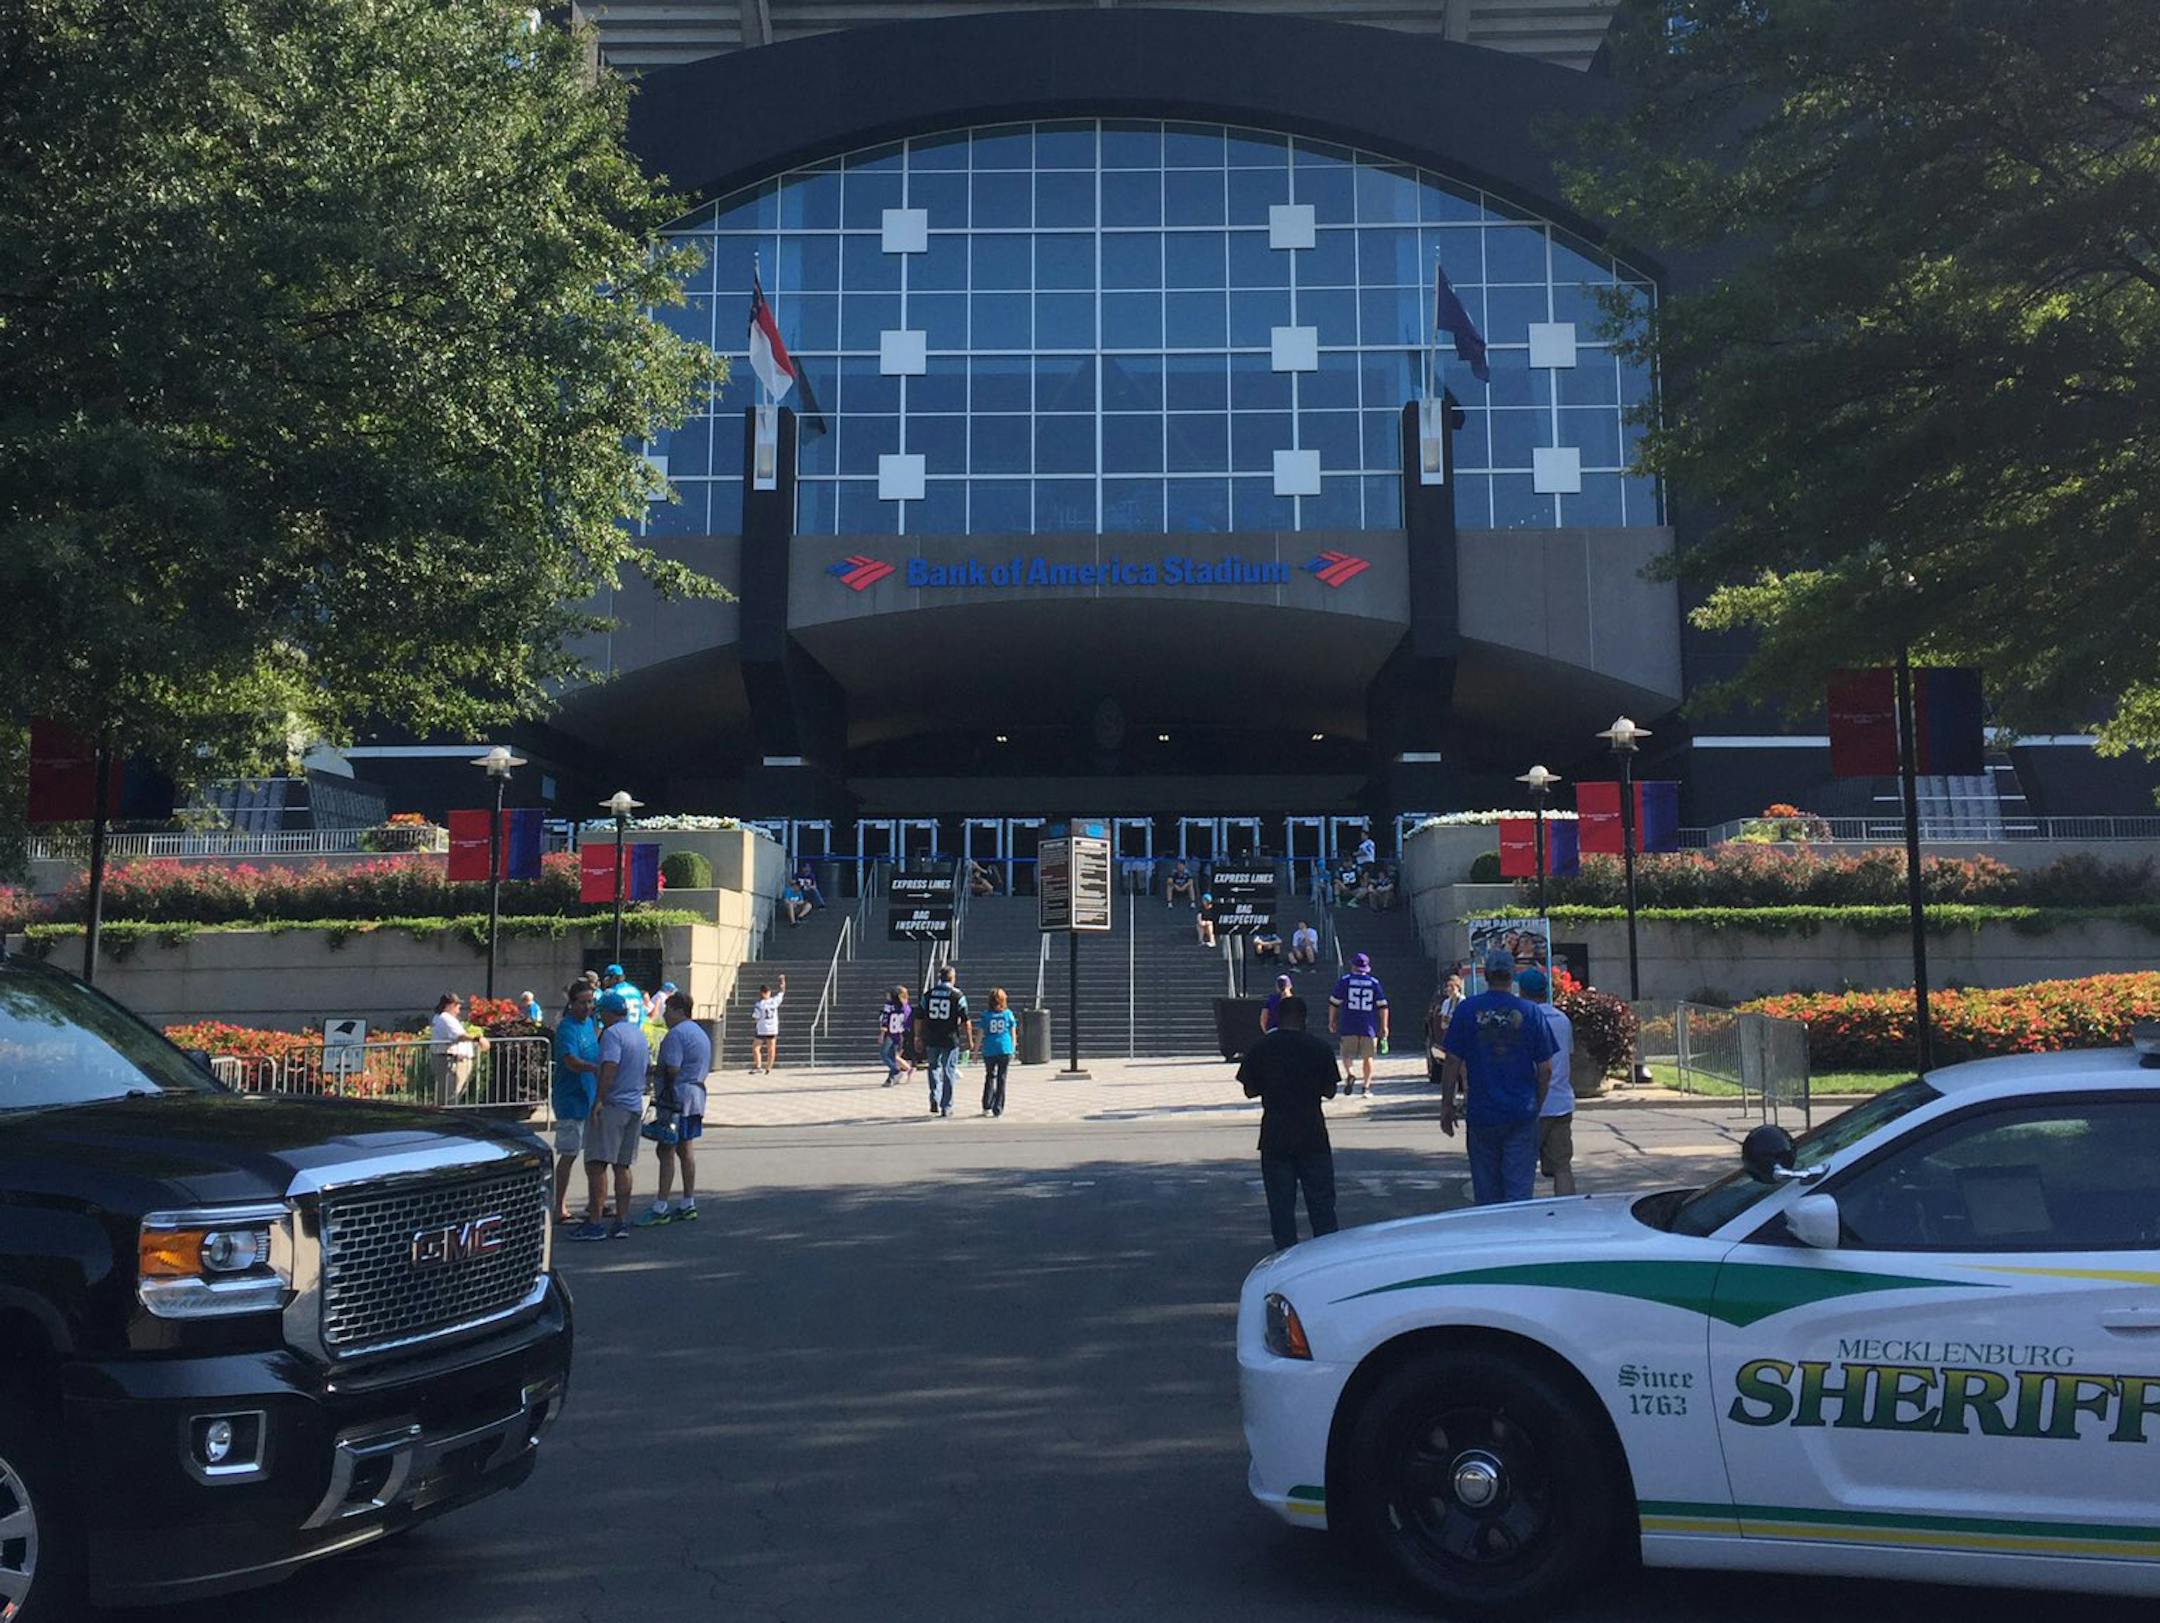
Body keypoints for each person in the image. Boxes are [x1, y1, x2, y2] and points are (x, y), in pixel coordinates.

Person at [1441, 947, 1559, 1205]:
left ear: (1487, 975)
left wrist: (1447, 1104)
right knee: (1519, 1192)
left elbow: (1451, 1060)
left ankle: (1491, 1238)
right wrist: (1537, 1103)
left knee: (1487, 1193)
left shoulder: (1466, 1010)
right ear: (1512, 975)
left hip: (1483, 1110)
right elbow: (1546, 1068)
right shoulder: (1531, 1013)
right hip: (1521, 1110)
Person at [1236, 996, 1340, 1252]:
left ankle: (1285, 1257)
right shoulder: (1319, 1048)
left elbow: (1249, 1090)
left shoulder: (1261, 1048)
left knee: (1281, 1208)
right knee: (1322, 1206)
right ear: (1304, 1019)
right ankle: (1326, 1258)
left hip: (1275, 1135)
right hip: (1312, 1134)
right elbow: (1330, 1091)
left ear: (1276, 1018)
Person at [570, 991, 649, 1241]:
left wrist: (600, 1099)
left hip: (613, 1104)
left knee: (596, 1163)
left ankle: (594, 1222)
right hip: (634, 1103)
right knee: (622, 1165)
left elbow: (610, 1066)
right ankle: (621, 1220)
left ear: (607, 1012)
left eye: (600, 1012)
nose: (599, 1017)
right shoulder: (637, 1033)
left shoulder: (613, 1034)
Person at [637, 991, 712, 1226]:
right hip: (696, 1095)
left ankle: (661, 1206)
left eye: (668, 1010)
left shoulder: (675, 1035)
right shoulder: (700, 1033)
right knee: (686, 1148)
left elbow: (672, 1068)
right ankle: (687, 1202)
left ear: (679, 1010)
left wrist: (655, 1075)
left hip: (676, 1099)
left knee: (666, 1149)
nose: (665, 1015)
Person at [1517, 967, 1577, 1196]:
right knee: (1562, 1167)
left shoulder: (1523, 1020)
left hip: (1531, 1103)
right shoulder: (1562, 1020)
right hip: (1561, 1101)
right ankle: (1566, 1211)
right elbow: (1567, 1054)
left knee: (1522, 1167)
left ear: (1522, 991)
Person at [550, 980, 600, 1222]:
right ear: (572, 1004)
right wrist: (595, 1068)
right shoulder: (567, 1028)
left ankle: (595, 1202)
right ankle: (558, 1205)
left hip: (589, 1096)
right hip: (570, 1098)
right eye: (583, 1002)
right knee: (569, 1153)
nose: (588, 1006)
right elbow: (570, 1060)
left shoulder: (590, 1023)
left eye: (591, 1001)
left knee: (593, 1154)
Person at [1327, 951, 1389, 1097]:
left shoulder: (1345, 981)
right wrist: (1384, 1025)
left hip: (1348, 1023)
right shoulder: (1374, 983)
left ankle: (1350, 1073)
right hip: (1369, 1025)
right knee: (1368, 1057)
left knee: (1346, 1054)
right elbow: (1383, 1006)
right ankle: (1366, 1087)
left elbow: (1334, 1003)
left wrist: (1332, 1021)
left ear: (1353, 966)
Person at [917, 965, 970, 1118]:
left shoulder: (928, 994)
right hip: (950, 1037)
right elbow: (965, 1019)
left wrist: (918, 1036)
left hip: (932, 1036)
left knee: (933, 1067)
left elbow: (919, 1016)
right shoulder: (957, 995)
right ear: (952, 978)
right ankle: (946, 1106)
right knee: (949, 1070)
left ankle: (935, 1096)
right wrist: (969, 1039)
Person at [429, 993, 487, 1106]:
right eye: (457, 1007)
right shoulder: (445, 1017)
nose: (458, 1011)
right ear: (450, 1005)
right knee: (450, 1095)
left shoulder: (441, 1017)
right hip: (451, 1060)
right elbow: (459, 1035)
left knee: (452, 1094)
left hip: (452, 1059)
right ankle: (448, 1120)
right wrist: (478, 1039)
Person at [975, 987, 1016, 1117]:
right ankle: (998, 1107)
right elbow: (1013, 1033)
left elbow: (980, 1034)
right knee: (1002, 1078)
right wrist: (1013, 1048)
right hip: (1004, 1047)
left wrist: (975, 1051)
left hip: (990, 1049)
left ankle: (987, 1104)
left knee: (989, 1076)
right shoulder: (1008, 1014)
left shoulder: (986, 1016)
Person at [1423, 973, 1464, 1093]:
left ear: (1458, 987)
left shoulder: (1463, 1002)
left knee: (1462, 1069)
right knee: (1449, 1069)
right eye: (1447, 987)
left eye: (1451, 986)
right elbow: (1443, 1023)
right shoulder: (1446, 1003)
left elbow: (1457, 1022)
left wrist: (1450, 1020)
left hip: (1460, 1039)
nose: (1448, 989)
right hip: (1448, 1038)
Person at [750, 974, 786, 1073]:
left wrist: (755, 1022)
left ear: (761, 993)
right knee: (771, 1048)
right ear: (769, 992)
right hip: (772, 1028)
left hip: (762, 1028)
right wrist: (782, 981)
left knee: (756, 1047)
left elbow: (756, 1017)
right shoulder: (774, 1001)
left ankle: (758, 1065)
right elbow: (782, 991)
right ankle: (769, 1067)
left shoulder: (759, 1004)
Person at [879, 985, 914, 1087]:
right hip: (898, 1034)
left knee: (884, 1053)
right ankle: (895, 1074)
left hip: (891, 1033)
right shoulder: (906, 1008)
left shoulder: (890, 1006)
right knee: (892, 1055)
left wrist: (882, 1033)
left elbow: (885, 1019)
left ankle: (896, 1071)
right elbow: (907, 1024)